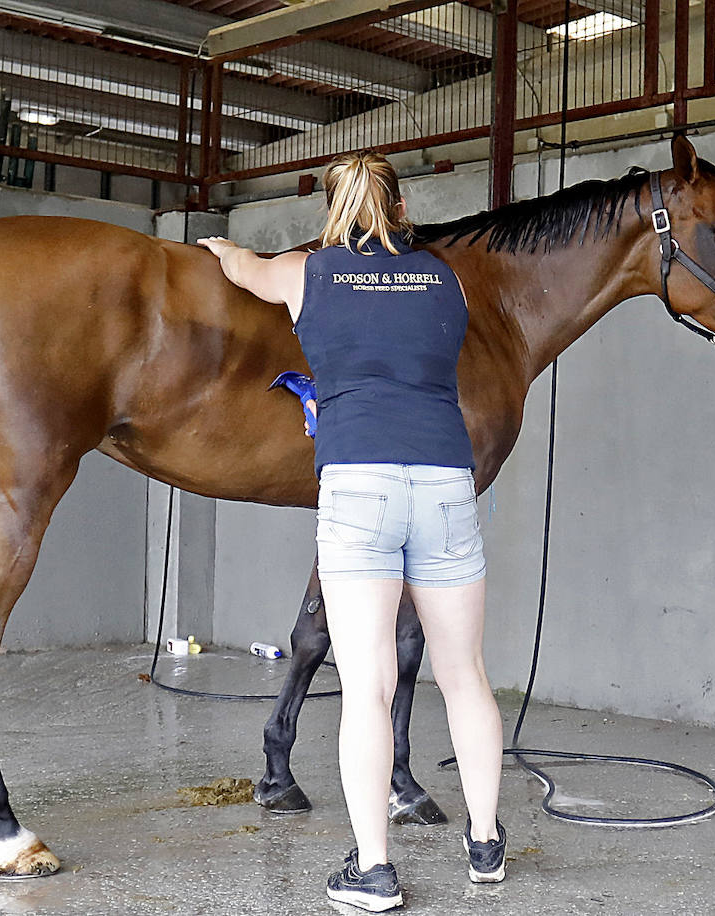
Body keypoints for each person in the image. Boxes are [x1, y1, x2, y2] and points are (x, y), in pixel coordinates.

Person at [198, 149, 505, 912]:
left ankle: (373, 871)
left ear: (329, 214)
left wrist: (222, 249)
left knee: (368, 686)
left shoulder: (306, 272)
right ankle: (487, 845)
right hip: (443, 482)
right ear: (401, 210)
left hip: (358, 485)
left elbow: (244, 269)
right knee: (463, 674)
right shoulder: (445, 277)